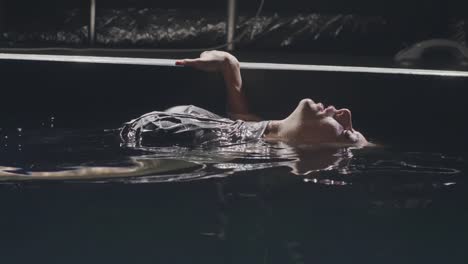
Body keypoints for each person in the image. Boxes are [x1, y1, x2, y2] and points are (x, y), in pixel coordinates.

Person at [120, 50, 368, 148]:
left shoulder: (243, 154)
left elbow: (154, 168)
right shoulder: (257, 129)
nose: (345, 114)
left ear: (314, 152)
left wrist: (87, 174)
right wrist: (228, 63)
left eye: (347, 132)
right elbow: (236, 102)